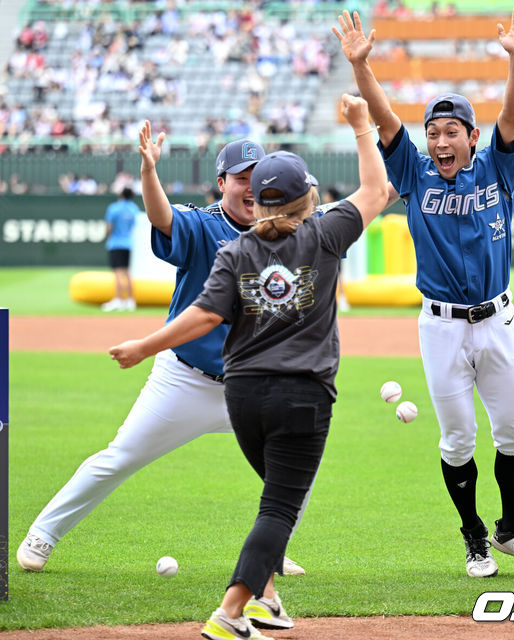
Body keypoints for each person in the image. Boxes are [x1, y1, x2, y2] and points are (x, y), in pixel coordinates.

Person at [109, 94, 388, 640]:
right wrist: (361, 127)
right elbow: (377, 190)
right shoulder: (325, 234)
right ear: (309, 197)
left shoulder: (234, 251)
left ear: (256, 202)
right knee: (281, 507)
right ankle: (231, 610)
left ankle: (268, 602)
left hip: (242, 397)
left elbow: (203, 315)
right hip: (301, 396)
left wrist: (146, 345)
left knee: (274, 501)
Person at [16, 130, 305, 579]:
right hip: (185, 380)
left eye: (258, 175)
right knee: (120, 456)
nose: (250, 186)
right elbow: (164, 217)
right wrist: (150, 170)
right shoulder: (205, 225)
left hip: (253, 385)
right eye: (240, 177)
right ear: (221, 182)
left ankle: (271, 549)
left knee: (295, 463)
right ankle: (43, 533)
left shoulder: (288, 229)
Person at [333, 5, 514, 578]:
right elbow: (383, 120)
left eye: (451, 131)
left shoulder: (496, 170)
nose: (440, 141)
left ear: (472, 137)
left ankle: (511, 529)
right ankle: (475, 535)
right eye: (433, 132)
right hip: (441, 324)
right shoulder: (413, 173)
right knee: (458, 439)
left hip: (498, 319)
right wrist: (363, 67)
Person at [101, 186, 139, 312]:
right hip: (128, 243)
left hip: (116, 243)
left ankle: (118, 299)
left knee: (117, 273)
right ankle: (130, 300)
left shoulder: (114, 208)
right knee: (127, 272)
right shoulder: (134, 208)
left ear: (121, 195)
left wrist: (106, 236)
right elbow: (134, 225)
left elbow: (109, 227)